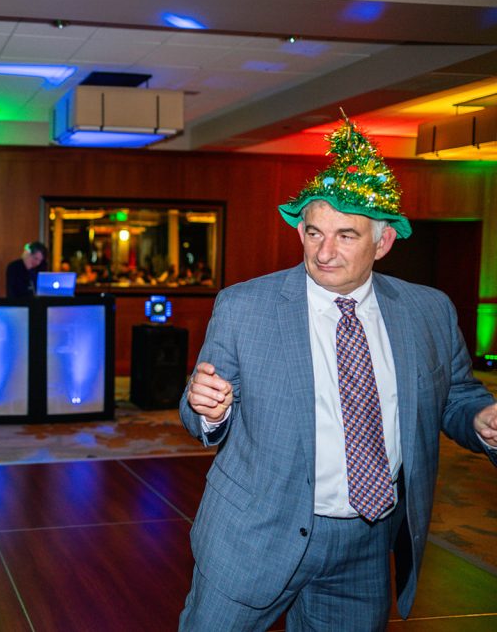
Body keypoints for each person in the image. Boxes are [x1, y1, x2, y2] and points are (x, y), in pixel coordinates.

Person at [178, 117, 497, 630]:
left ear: (383, 242)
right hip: (254, 534)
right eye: (314, 233)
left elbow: (456, 395)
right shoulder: (244, 307)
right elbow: (197, 407)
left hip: (366, 546)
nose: (324, 253)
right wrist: (208, 409)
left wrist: (481, 417)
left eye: (346, 235)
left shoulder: (428, 311)